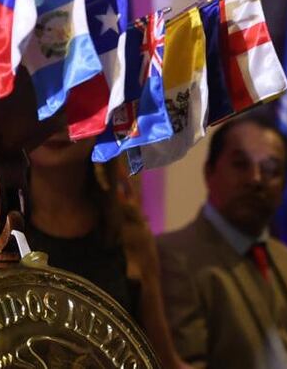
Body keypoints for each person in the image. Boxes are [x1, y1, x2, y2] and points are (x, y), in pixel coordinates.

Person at [156, 114, 287, 368]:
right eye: (241, 164)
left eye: (271, 169)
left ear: (284, 185)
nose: (256, 179)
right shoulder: (174, 256)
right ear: (209, 172)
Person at [26, 134, 189, 369]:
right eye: (43, 102)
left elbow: (162, 359)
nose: (57, 124)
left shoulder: (130, 233)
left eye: (73, 103)